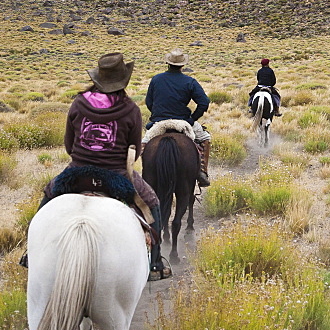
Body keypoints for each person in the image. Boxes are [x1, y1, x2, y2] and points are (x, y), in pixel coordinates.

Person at [23, 52, 170, 281]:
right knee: (152, 202)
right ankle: (156, 263)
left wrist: (84, 156)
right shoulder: (130, 109)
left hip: (77, 173)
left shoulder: (79, 103)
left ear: (98, 78)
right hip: (117, 176)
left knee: (48, 196)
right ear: (123, 80)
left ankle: (30, 252)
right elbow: (135, 151)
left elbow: (69, 145)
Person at [144, 48, 211, 187]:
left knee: (144, 145)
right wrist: (192, 119)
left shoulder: (156, 79)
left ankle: (145, 174)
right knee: (205, 139)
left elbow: (148, 102)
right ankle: (202, 172)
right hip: (183, 122)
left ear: (167, 63)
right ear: (182, 65)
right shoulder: (190, 81)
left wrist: (158, 115)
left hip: (159, 122)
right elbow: (204, 102)